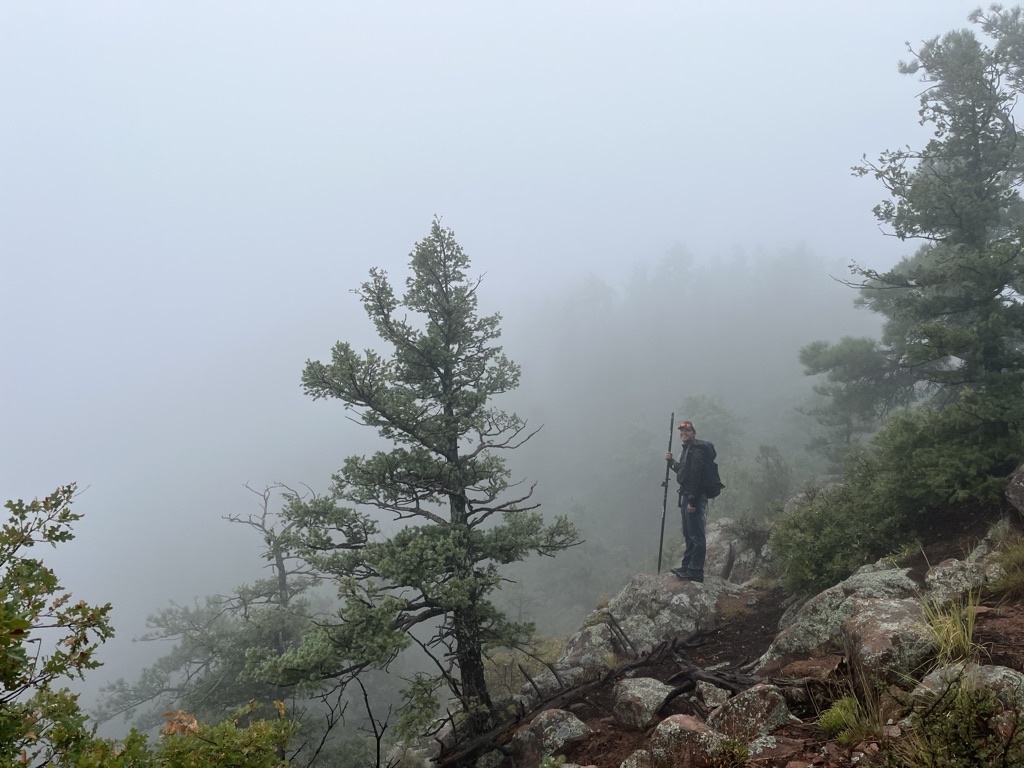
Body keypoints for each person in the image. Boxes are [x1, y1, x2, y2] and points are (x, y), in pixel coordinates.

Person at [664, 419, 710, 582]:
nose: (683, 433)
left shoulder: (696, 450)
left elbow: (696, 478)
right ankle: (687, 566)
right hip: (687, 495)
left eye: (687, 430)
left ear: (694, 433)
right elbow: (683, 473)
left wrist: (692, 501)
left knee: (696, 536)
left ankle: (695, 571)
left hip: (694, 497)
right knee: (688, 533)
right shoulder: (688, 449)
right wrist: (671, 462)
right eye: (681, 431)